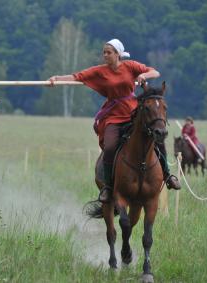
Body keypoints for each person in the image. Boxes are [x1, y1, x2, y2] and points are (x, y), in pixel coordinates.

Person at [48, 38, 180, 203]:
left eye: (108, 52)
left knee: (156, 138)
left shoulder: (130, 66)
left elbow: (155, 72)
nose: (105, 55)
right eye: (104, 52)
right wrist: (56, 79)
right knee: (109, 147)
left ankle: (168, 175)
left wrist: (142, 75)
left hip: (134, 115)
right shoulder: (100, 71)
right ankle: (108, 188)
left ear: (118, 54)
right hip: (113, 117)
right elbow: (77, 76)